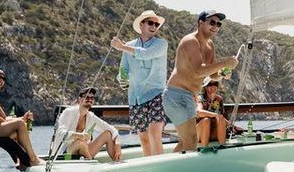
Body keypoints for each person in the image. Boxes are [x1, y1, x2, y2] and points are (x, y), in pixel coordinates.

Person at [165, 11, 239, 153]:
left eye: (218, 24)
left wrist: (224, 73)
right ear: (200, 22)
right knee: (191, 140)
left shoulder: (210, 45)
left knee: (186, 141)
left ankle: (172, 171)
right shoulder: (190, 41)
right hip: (176, 95)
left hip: (190, 97)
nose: (215, 26)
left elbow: (212, 75)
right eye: (212, 22)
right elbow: (197, 71)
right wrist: (224, 63)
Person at [111, 10, 169, 156]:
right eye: (150, 22)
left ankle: (161, 169)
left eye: (156, 24)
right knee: (143, 138)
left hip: (156, 94)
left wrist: (122, 47)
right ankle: (150, 169)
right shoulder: (129, 45)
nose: (154, 26)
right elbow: (123, 69)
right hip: (135, 97)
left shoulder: (161, 44)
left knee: (155, 133)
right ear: (141, 24)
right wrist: (122, 80)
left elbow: (145, 53)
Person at [54, 87, 122, 161]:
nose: (89, 99)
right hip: (66, 154)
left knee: (108, 134)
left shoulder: (90, 116)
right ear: (79, 99)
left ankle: (117, 162)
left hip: (83, 151)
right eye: (86, 97)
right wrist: (79, 135)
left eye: (92, 98)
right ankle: (91, 163)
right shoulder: (68, 112)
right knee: (80, 142)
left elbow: (112, 129)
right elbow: (60, 133)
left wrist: (118, 143)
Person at [196, 80, 230, 146]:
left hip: (214, 132)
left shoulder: (219, 99)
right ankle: (204, 148)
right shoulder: (200, 98)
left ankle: (222, 146)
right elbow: (199, 112)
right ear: (205, 87)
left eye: (215, 84)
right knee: (206, 120)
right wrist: (214, 115)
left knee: (221, 119)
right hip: (200, 133)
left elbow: (221, 117)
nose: (213, 86)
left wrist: (233, 126)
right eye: (210, 84)